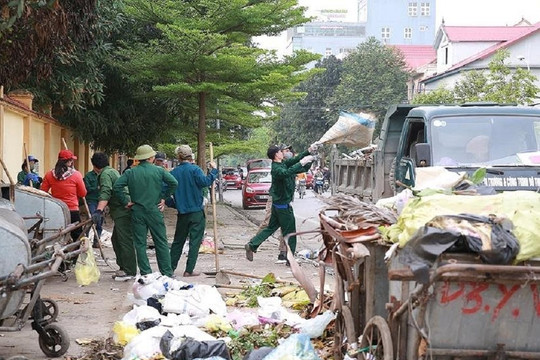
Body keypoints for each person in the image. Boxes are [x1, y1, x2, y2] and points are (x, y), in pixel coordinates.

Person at [244, 143, 317, 263]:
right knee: (291, 233)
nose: (282, 153)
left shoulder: (281, 164)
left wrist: (308, 152)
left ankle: (252, 245)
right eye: (280, 152)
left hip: (278, 205)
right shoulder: (277, 169)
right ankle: (290, 259)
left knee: (270, 228)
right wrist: (303, 163)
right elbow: (287, 173)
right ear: (276, 155)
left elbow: (294, 161)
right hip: (283, 206)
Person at [113, 144, 178, 277]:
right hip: (154, 210)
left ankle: (146, 273)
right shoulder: (159, 171)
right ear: (150, 158)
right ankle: (167, 272)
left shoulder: (131, 172)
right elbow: (174, 183)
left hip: (137, 211)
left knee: (140, 243)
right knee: (161, 241)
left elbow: (117, 187)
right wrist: (163, 197)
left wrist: (126, 201)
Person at [169, 145, 218, 277]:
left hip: (182, 213)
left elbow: (165, 192)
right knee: (195, 242)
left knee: (178, 241)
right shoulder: (195, 170)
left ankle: (169, 269)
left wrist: (175, 204)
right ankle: (189, 270)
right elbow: (205, 182)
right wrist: (213, 171)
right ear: (191, 156)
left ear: (178, 157)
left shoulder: (173, 172)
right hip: (196, 212)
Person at [89, 152, 137, 282]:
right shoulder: (112, 171)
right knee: (116, 240)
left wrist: (98, 211)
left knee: (124, 240)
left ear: (94, 166)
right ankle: (123, 267)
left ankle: (130, 270)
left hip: (123, 210)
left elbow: (106, 192)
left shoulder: (105, 175)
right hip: (122, 210)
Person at [41, 150, 87, 243]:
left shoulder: (49, 175)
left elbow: (42, 192)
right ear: (69, 162)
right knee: (77, 236)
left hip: (56, 209)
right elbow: (83, 193)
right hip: (72, 210)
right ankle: (76, 255)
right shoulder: (76, 175)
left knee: (57, 234)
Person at [83, 164, 103, 246]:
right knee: (91, 220)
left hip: (100, 201)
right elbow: (86, 188)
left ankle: (96, 240)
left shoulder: (103, 175)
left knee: (100, 221)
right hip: (91, 200)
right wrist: (96, 188)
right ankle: (85, 239)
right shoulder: (88, 176)